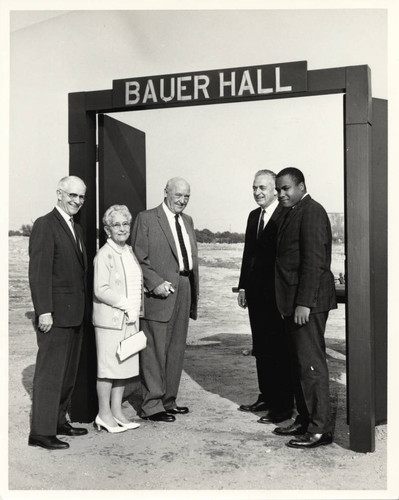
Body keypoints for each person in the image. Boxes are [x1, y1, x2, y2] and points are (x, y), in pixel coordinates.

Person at [273, 167, 337, 449]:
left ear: (301, 186)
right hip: (294, 302)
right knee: (300, 364)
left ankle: (319, 429)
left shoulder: (311, 211)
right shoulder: (293, 211)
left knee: (312, 366)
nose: (281, 194)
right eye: (278, 190)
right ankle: (305, 420)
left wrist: (303, 303)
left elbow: (314, 262)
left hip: (306, 304)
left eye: (286, 188)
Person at [131, 177, 199, 422]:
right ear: (166, 193)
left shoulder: (188, 221)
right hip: (159, 291)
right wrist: (155, 283)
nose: (182, 200)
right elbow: (138, 258)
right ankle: (152, 406)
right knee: (154, 350)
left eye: (186, 196)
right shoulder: (147, 219)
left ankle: (169, 400)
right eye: (178, 195)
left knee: (176, 349)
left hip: (184, 286)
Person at [28, 175, 89, 450]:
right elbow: (39, 274)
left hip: (74, 314)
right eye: (72, 195)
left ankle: (58, 422)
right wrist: (44, 312)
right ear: (59, 194)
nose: (77, 201)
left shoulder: (76, 228)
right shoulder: (45, 225)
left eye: (81, 197)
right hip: (55, 316)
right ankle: (41, 432)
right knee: (50, 374)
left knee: (66, 374)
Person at [237, 170, 294, 423]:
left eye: (263, 188)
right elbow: (249, 254)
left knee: (279, 350)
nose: (257, 192)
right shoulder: (253, 216)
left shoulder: (287, 215)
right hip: (256, 296)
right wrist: (242, 287)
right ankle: (266, 395)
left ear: (275, 190)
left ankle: (282, 407)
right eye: (254, 188)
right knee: (261, 348)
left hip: (278, 296)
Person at [92, 205, 143, 433]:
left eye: (125, 224)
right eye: (116, 224)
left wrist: (134, 311)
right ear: (107, 229)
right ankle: (104, 414)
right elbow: (101, 289)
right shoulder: (104, 254)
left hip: (129, 320)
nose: (122, 229)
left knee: (122, 366)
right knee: (108, 368)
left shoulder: (128, 251)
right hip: (111, 321)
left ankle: (117, 411)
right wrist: (126, 306)